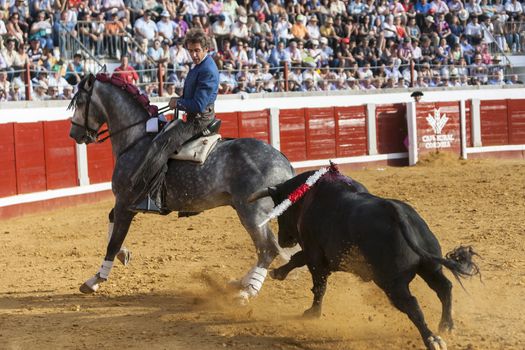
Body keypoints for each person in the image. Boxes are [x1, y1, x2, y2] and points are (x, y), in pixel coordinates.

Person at [130, 28, 219, 213]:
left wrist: (178, 102)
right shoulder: (200, 66)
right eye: (191, 50)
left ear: (206, 49)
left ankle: (152, 196)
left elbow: (199, 104)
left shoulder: (207, 69)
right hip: (194, 116)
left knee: (159, 145)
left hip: (198, 120)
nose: (194, 54)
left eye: (197, 50)